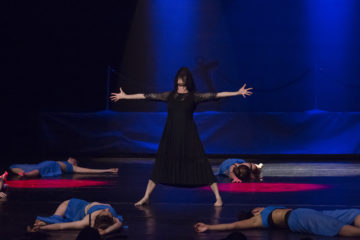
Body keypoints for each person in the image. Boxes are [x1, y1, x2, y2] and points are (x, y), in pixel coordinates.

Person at [110, 67, 253, 206]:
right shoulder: (169, 95)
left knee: (201, 163)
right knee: (160, 165)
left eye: (183, 81)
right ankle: (146, 197)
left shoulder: (194, 96)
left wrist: (237, 92)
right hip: (171, 135)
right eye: (179, 81)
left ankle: (218, 198)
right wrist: (125, 96)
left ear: (187, 82)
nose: (180, 85)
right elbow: (146, 96)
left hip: (189, 135)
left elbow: (216, 95)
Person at [194, 206, 360, 237]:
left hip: (303, 213)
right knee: (336, 227)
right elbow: (233, 226)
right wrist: (210, 226)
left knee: (351, 214)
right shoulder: (256, 219)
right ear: (253, 213)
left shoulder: (267, 209)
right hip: (299, 218)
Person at [27, 198, 123, 236]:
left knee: (58, 220)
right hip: (72, 204)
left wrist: (42, 228)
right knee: (57, 219)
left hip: (75, 207)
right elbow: (118, 224)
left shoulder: (89, 220)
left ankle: (41, 224)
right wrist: (105, 232)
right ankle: (42, 224)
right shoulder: (114, 219)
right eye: (105, 210)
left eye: (105, 212)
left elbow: (62, 227)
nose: (107, 209)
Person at [9, 157, 118, 178]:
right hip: (46, 163)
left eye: (73, 159)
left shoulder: (73, 168)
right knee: (17, 166)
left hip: (51, 165)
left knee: (37, 171)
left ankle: (26, 175)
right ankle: (21, 172)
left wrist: (108, 170)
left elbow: (90, 171)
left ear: (75, 163)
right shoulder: (65, 162)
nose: (71, 158)